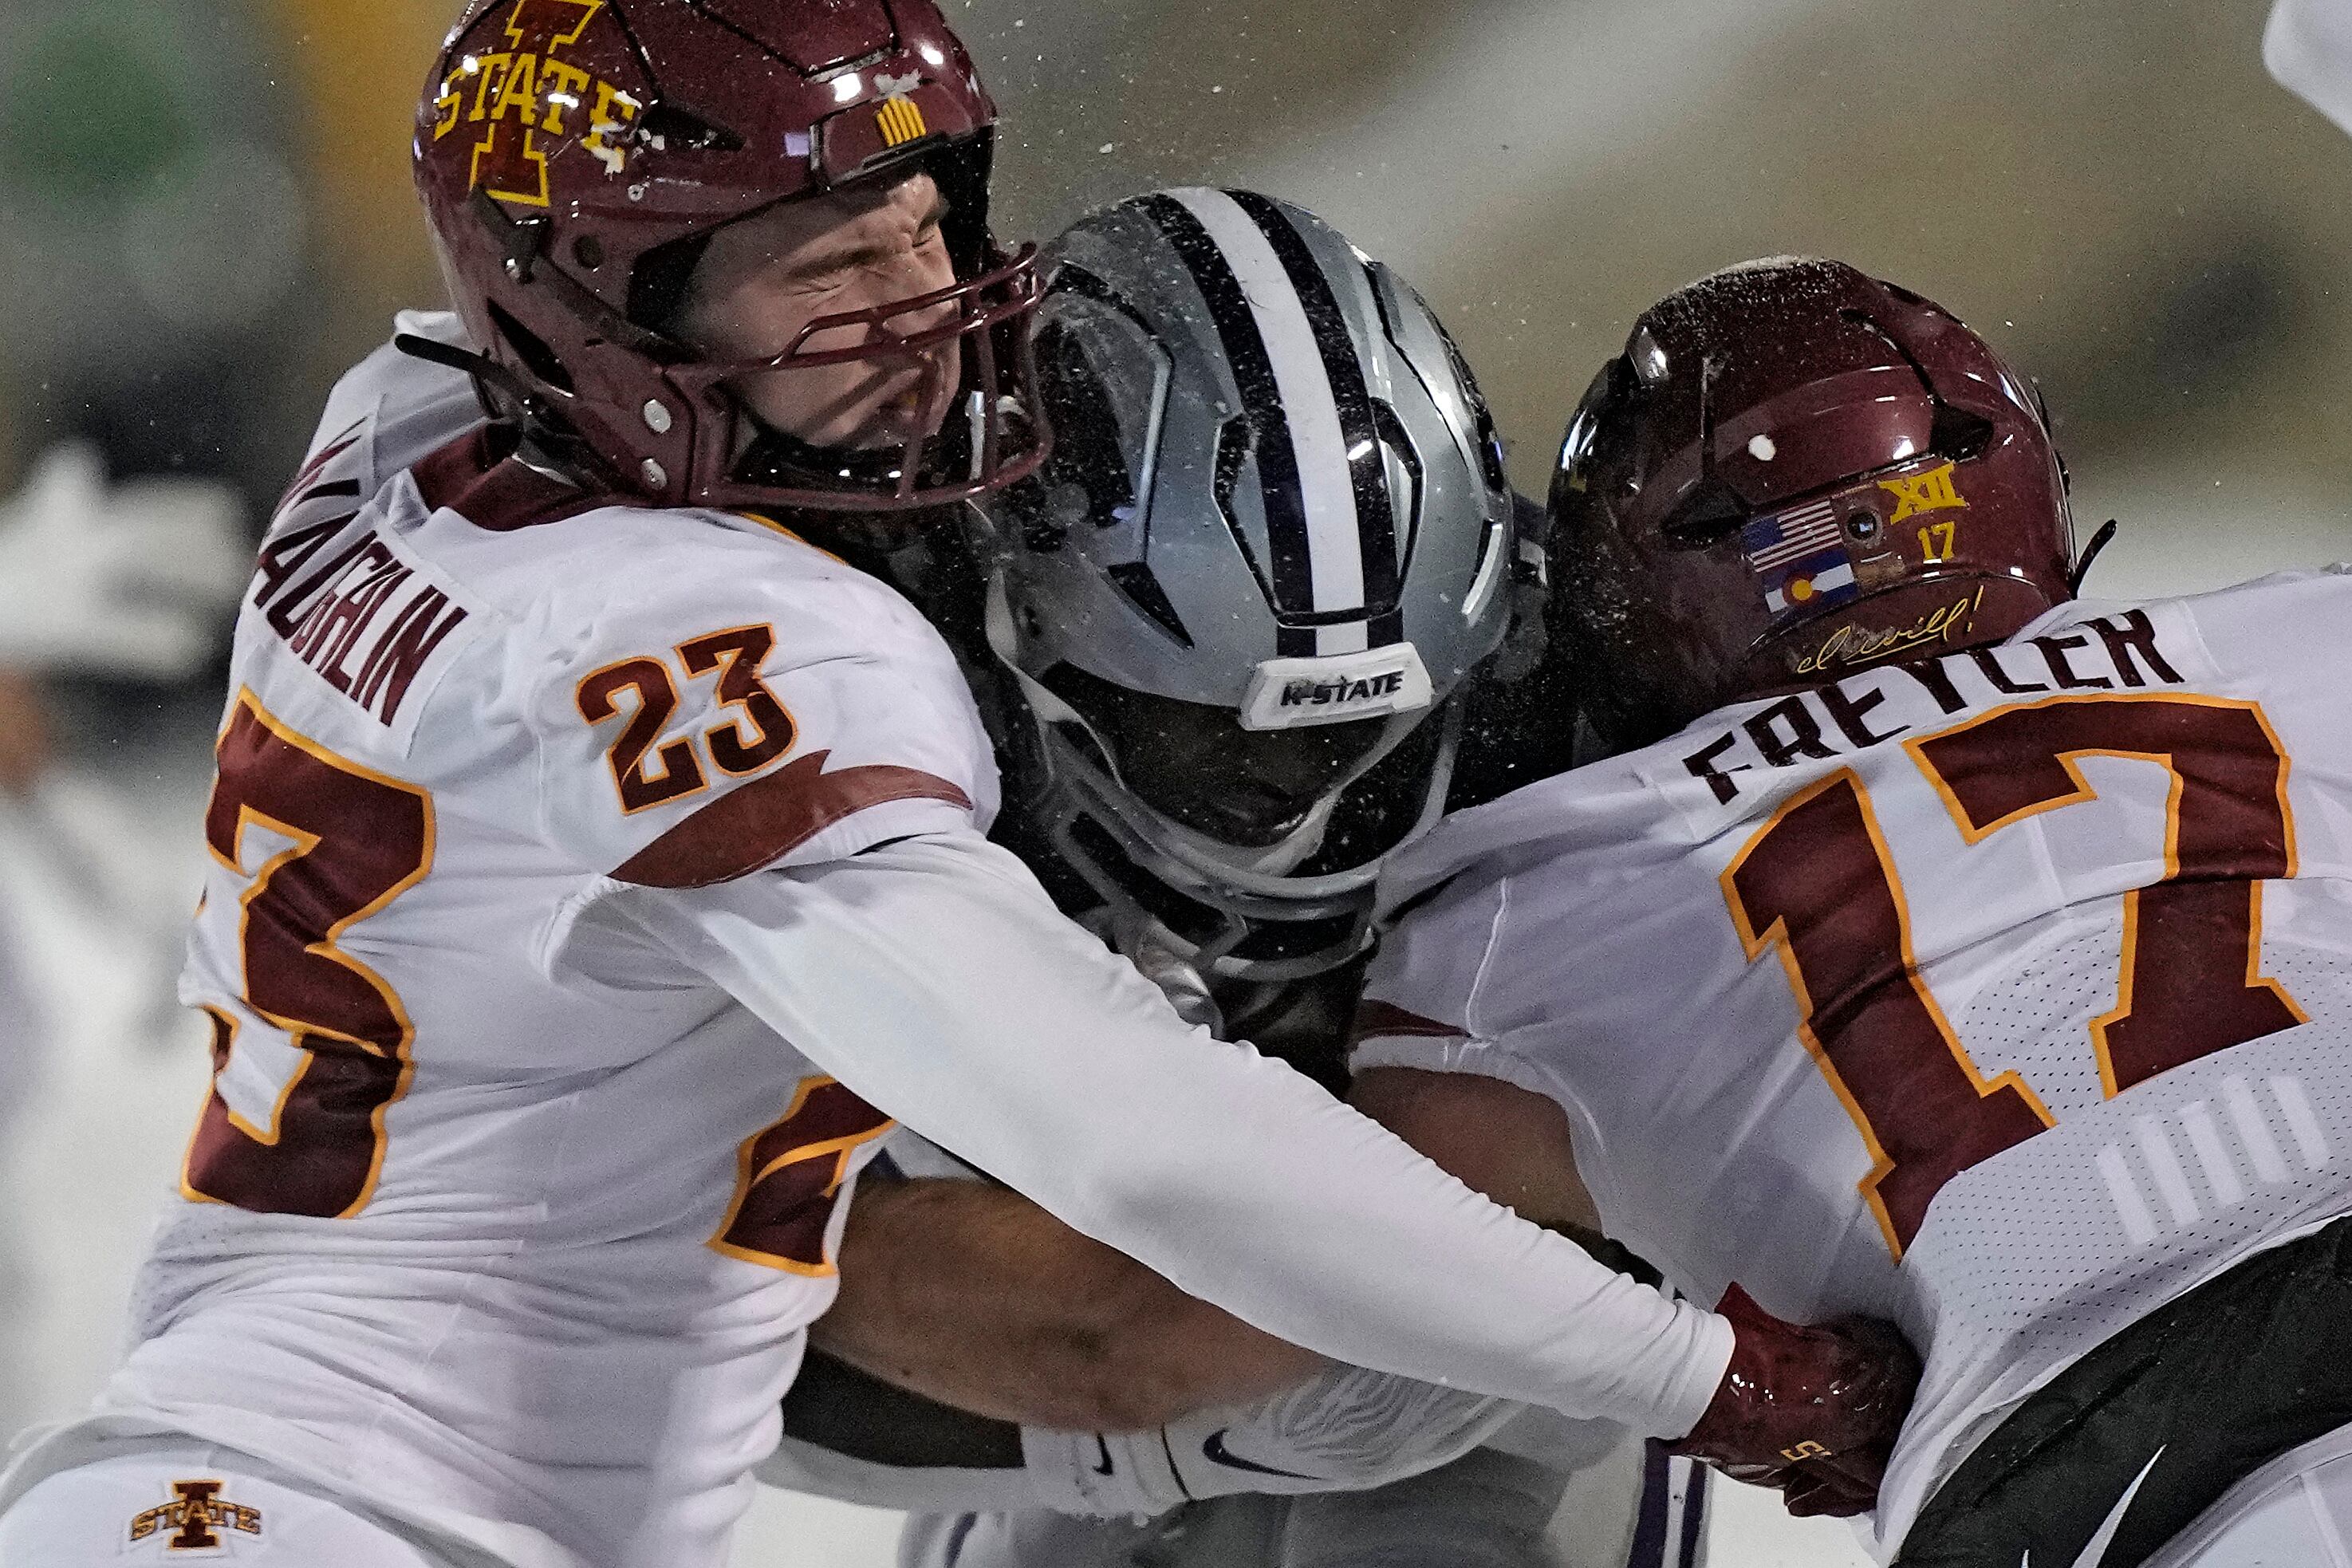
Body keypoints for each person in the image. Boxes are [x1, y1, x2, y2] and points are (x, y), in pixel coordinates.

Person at [0, 9, 1911, 1568]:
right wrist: (1694, 1367)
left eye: (919, 218)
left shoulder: (404, 429)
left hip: (250, 1466)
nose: (911, 306)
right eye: (811, 264)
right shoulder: (735, 639)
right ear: (595, 313)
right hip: (339, 1506)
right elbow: (1139, 1145)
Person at [1350, 256, 2352, 1562]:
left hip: (2100, 1472)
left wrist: (1697, 1369)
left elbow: (1346, 1259)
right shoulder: (2306, 637)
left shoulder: (1536, 903)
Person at [755, 187, 1699, 1568]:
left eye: (1368, 723)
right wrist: (1145, 1415)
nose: (1305, 778)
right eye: (1223, 722)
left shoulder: (1574, 687)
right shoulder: (857, 702)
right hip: (1043, 1377)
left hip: (1486, 1392)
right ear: (1028, 614)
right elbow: (693, 1324)